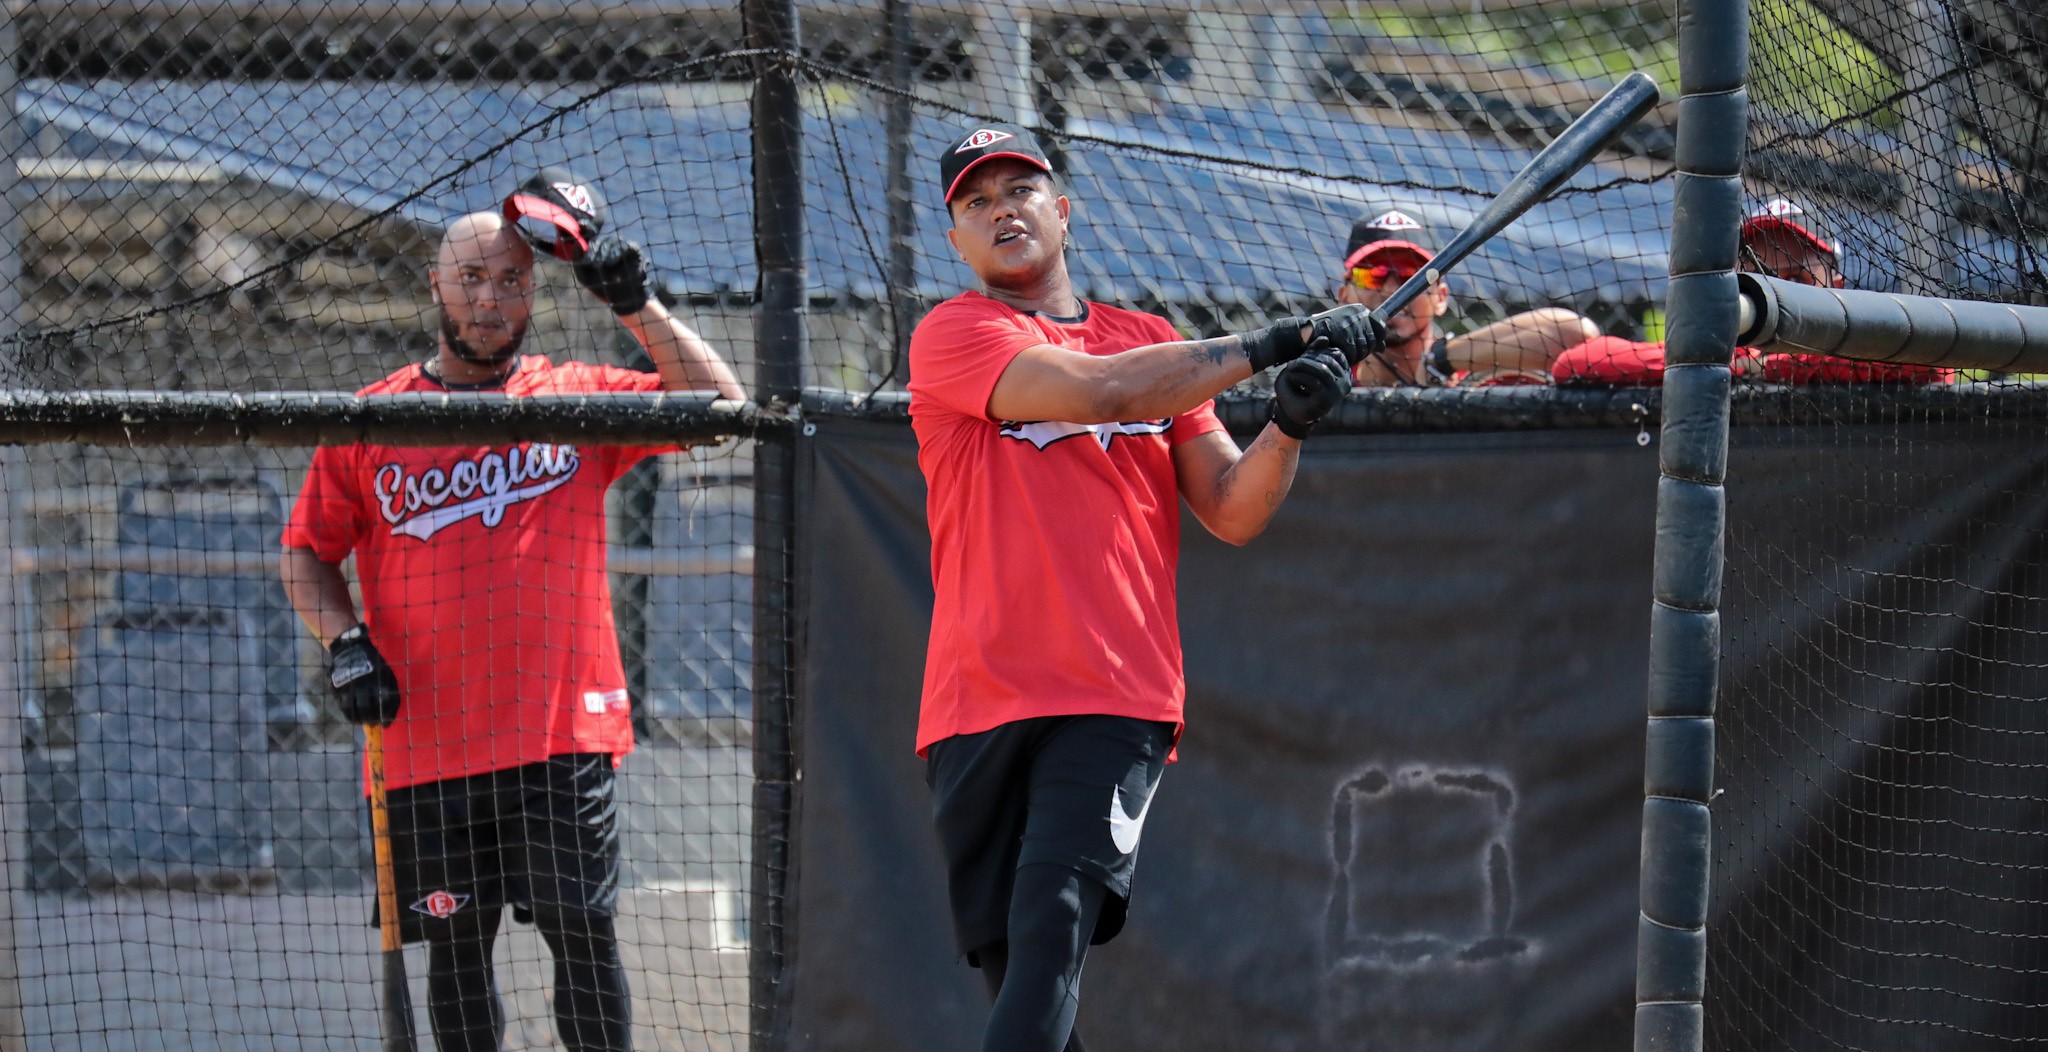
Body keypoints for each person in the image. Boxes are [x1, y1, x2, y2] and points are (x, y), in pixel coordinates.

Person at [907, 122, 1385, 1052]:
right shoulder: (957, 334)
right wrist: (1280, 340)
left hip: (1111, 693)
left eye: (1021, 189)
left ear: (1064, 212)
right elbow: (1105, 394)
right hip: (975, 702)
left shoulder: (1151, 340)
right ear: (956, 238)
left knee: (1049, 936)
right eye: (977, 200)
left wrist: (1288, 424)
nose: (1002, 207)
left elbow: (1232, 508)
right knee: (1025, 979)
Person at [279, 172, 745, 1052]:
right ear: (435, 285)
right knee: (456, 959)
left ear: (536, 291)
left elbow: (721, 410)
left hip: (560, 736)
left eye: (512, 282)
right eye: (472, 280)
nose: (491, 301)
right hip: (424, 741)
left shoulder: (574, 394)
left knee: (585, 939)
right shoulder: (373, 418)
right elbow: (304, 552)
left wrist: (635, 304)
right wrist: (344, 645)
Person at [1552, 198, 1954, 384]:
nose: (1778, 289)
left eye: (1796, 275)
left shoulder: (1861, 339)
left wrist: (1769, 368)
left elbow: (1936, 363)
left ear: (1837, 282)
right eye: (1761, 275)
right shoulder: (1723, 354)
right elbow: (1579, 362)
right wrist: (1733, 366)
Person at [1335, 209, 1599, 386]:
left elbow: (1577, 333)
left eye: (1411, 277)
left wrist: (1437, 364)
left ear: (1441, 298)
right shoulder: (1323, 381)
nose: (1392, 291)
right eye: (1372, 276)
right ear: (1344, 295)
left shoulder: (1475, 377)